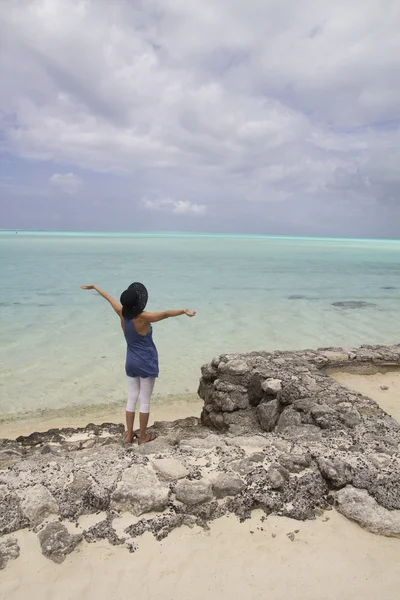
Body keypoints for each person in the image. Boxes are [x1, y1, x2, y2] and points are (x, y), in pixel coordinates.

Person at [81, 282, 196, 444]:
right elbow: (166, 314)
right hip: (146, 362)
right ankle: (142, 437)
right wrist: (183, 311)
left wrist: (95, 287)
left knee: (131, 398)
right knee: (144, 401)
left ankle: (129, 435)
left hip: (131, 362)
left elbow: (108, 298)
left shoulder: (121, 313)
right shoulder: (143, 317)